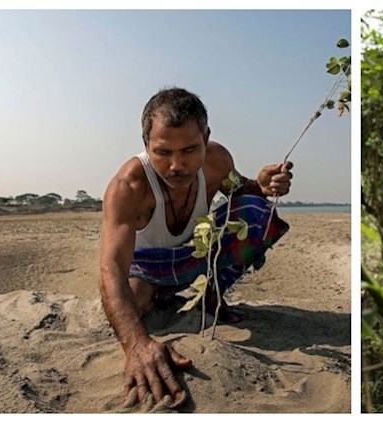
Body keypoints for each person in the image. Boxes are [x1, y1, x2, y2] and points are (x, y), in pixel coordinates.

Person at [99, 87, 293, 409]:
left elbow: (239, 190)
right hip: (145, 266)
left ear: (206, 137)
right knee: (134, 305)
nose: (177, 165)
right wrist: (136, 345)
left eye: (190, 150)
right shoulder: (128, 186)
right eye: (163, 152)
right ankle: (161, 295)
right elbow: (111, 267)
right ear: (146, 142)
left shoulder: (217, 160)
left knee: (257, 209)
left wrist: (260, 185)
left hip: (196, 256)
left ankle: (211, 294)